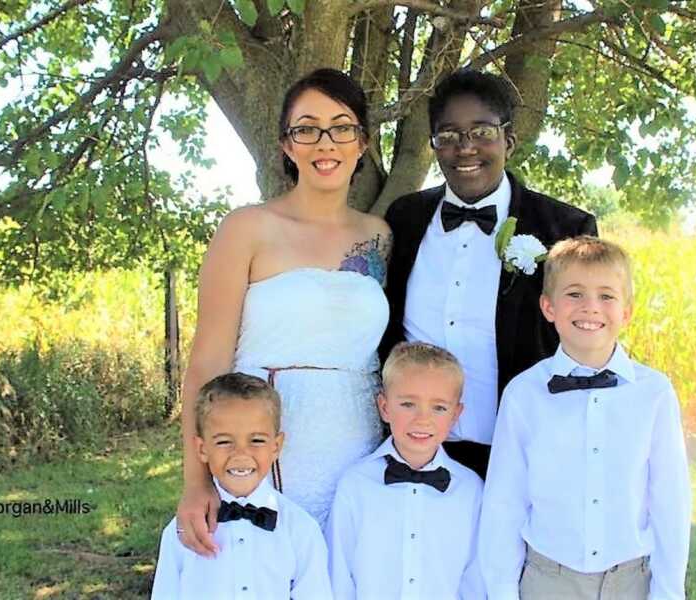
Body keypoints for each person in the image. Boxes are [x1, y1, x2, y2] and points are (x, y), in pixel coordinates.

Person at [176, 68, 391, 556]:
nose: (325, 143)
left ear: (362, 142)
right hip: (259, 445)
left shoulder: (378, 236)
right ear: (287, 145)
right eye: (307, 128)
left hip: (356, 446)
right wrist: (195, 482)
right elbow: (206, 364)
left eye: (341, 126)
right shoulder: (246, 228)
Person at [381, 68, 598, 479]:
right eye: (448, 136)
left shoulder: (563, 229)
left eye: (481, 131)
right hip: (413, 454)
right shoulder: (404, 218)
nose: (465, 148)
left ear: (509, 140)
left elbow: (588, 346)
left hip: (519, 453)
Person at [479, 236, 692, 600]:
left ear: (626, 311)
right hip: (548, 580)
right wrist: (501, 591)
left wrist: (668, 591)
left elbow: (670, 499)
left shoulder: (654, 393)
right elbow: (505, 502)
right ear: (548, 307)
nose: (590, 307)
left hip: (630, 580)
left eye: (606, 296)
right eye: (574, 294)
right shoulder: (524, 394)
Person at [326, 342, 484, 600]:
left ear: (456, 414)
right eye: (408, 404)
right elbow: (339, 573)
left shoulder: (470, 489)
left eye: (439, 407)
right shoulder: (356, 484)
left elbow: (475, 577)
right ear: (385, 407)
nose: (422, 419)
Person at [152, 373, 332, 599]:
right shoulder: (182, 531)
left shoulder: (301, 530)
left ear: (276, 446)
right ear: (202, 449)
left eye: (256, 440)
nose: (241, 454)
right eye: (224, 442)